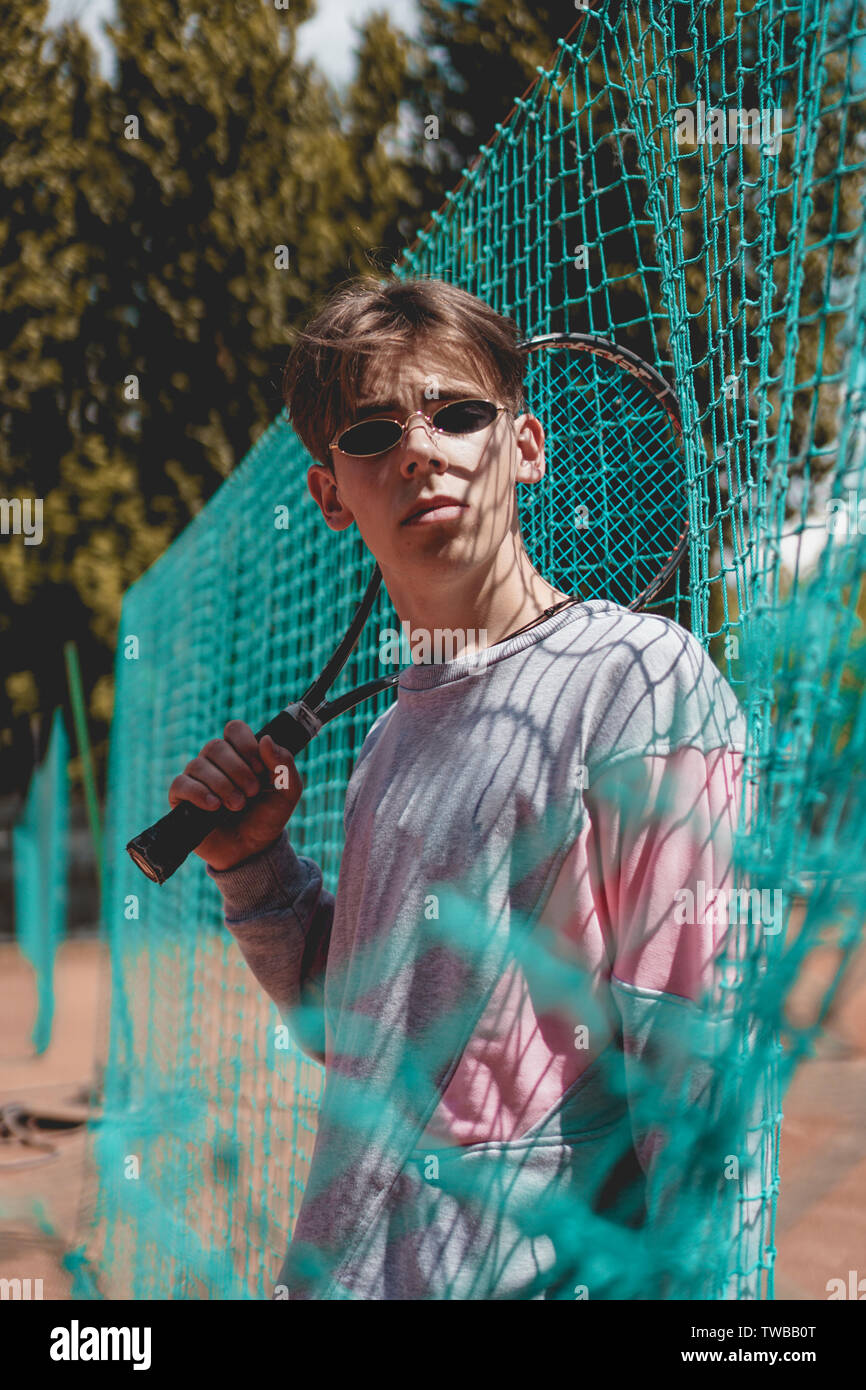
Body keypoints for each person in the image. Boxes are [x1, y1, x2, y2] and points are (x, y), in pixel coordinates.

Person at [168, 277, 750, 1300]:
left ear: (523, 446)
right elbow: (363, 1036)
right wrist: (253, 866)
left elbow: (692, 1070)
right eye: (372, 428)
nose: (419, 446)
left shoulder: (637, 678)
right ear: (331, 495)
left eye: (458, 412)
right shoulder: (390, 739)